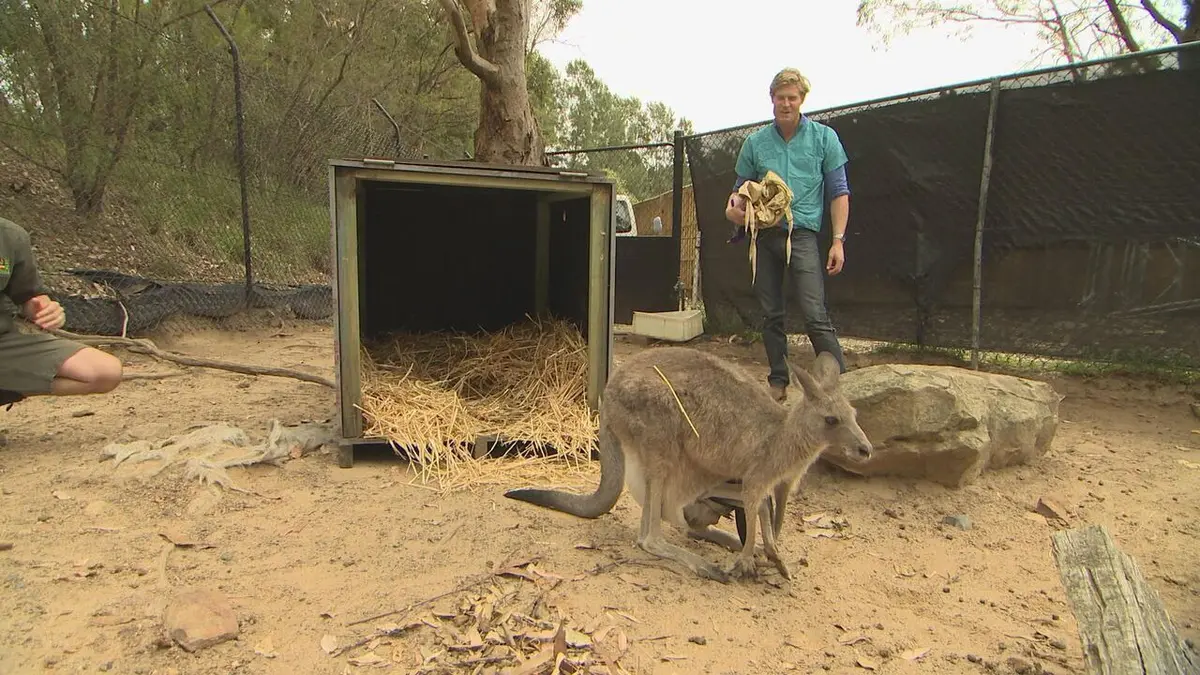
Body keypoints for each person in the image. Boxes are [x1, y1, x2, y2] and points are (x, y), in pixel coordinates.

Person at [725, 67, 851, 402]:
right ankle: (778, 381)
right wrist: (734, 209)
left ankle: (841, 385)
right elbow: (738, 193)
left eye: (792, 98)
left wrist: (838, 241)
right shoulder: (755, 143)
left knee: (814, 313)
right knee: (771, 314)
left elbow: (839, 191)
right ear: (772, 99)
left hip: (803, 235)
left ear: (802, 100)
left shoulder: (824, 138)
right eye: (780, 97)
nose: (786, 104)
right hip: (764, 236)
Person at [0, 216, 122, 407]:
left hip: (4, 344)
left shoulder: (10, 235)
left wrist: (45, 309)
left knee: (105, 372)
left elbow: (30, 296)